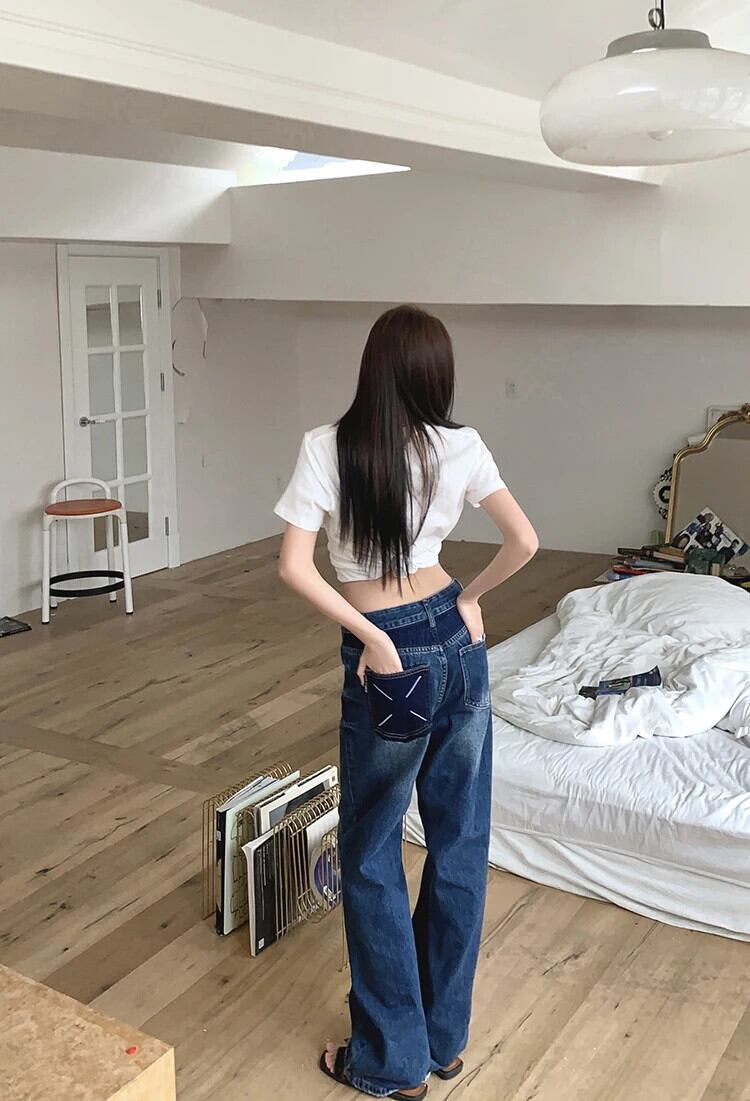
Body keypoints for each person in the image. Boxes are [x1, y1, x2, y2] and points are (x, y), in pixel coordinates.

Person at [274, 305, 538, 1099]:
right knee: (460, 839)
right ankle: (443, 1039)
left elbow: (294, 566)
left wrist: (374, 638)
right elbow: (524, 541)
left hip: (387, 652)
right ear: (434, 373)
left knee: (370, 849)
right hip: (457, 638)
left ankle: (392, 1059)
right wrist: (471, 599)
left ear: (372, 367)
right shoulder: (462, 444)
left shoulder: (328, 445)